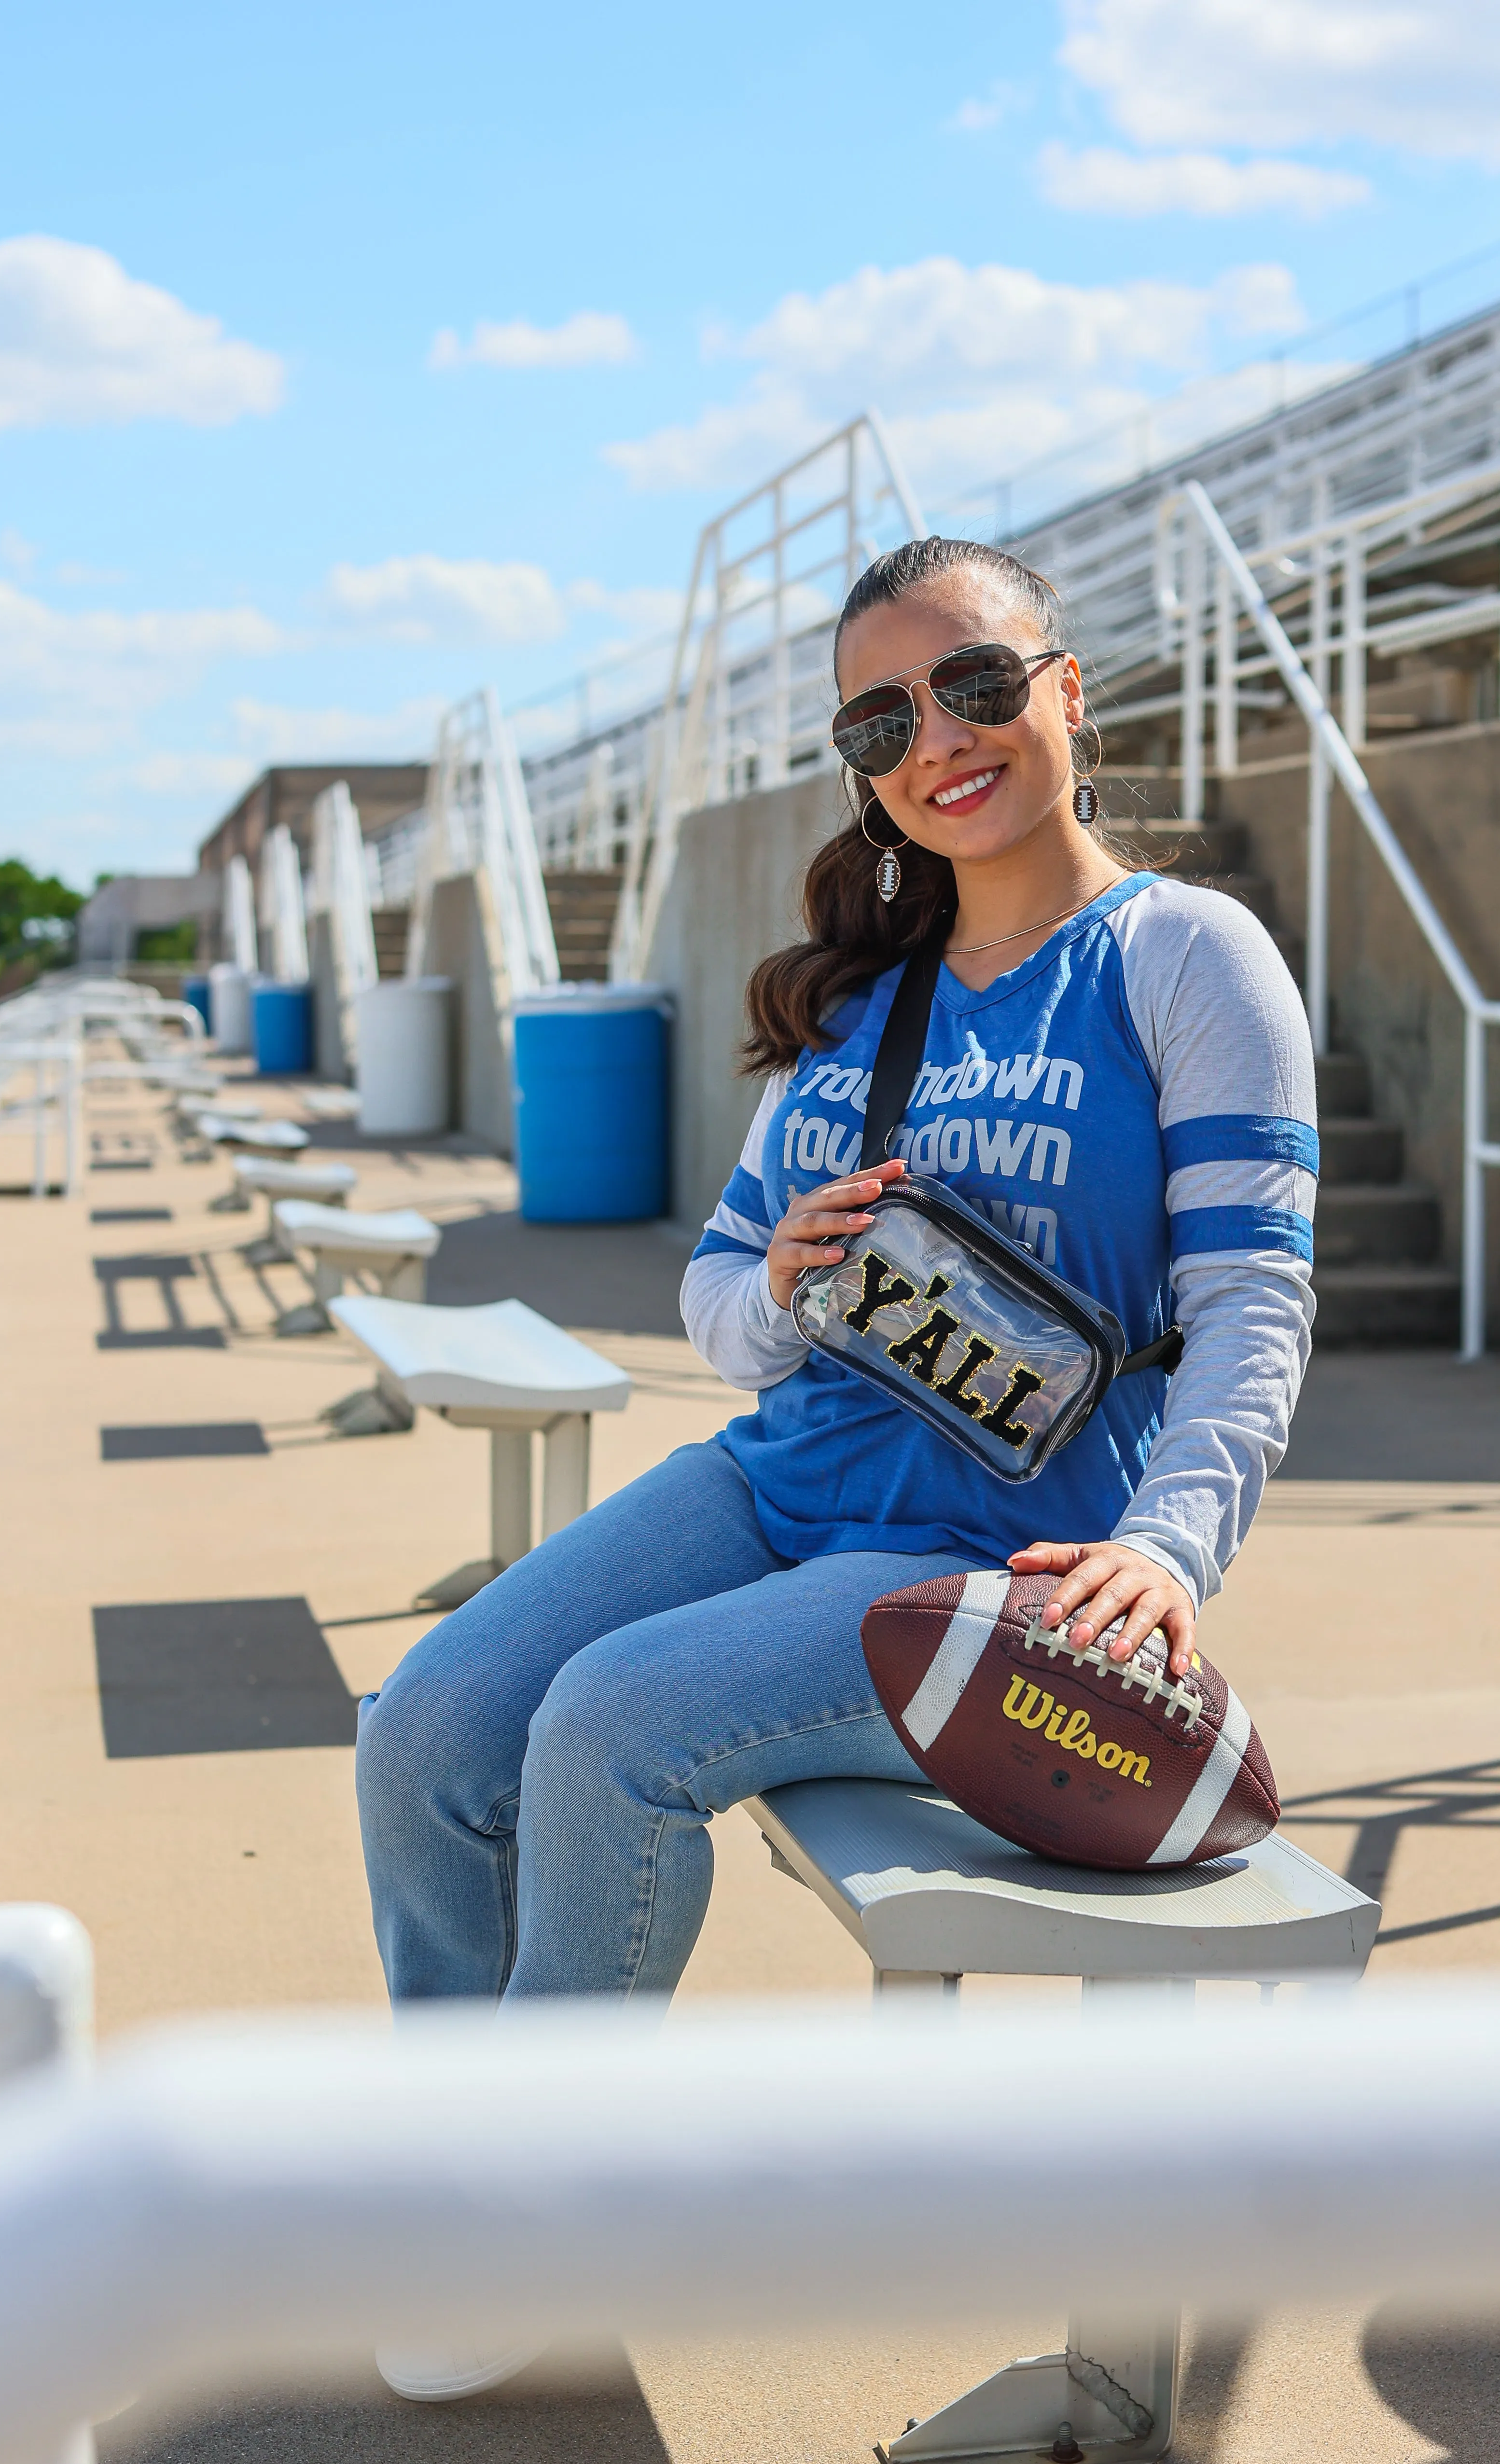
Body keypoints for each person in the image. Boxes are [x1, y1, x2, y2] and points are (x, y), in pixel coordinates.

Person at [356, 535, 1315, 2016]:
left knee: (614, 1725)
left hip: (989, 1556)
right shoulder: (857, 1000)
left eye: (975, 683)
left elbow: (1256, 1302)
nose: (936, 739)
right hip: (773, 1485)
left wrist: (1169, 1552)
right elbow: (723, 1303)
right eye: (882, 722)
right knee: (426, 1730)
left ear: (1064, 691)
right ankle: (453, 2131)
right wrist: (783, 1284)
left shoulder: (1187, 957)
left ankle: (539, 2195)